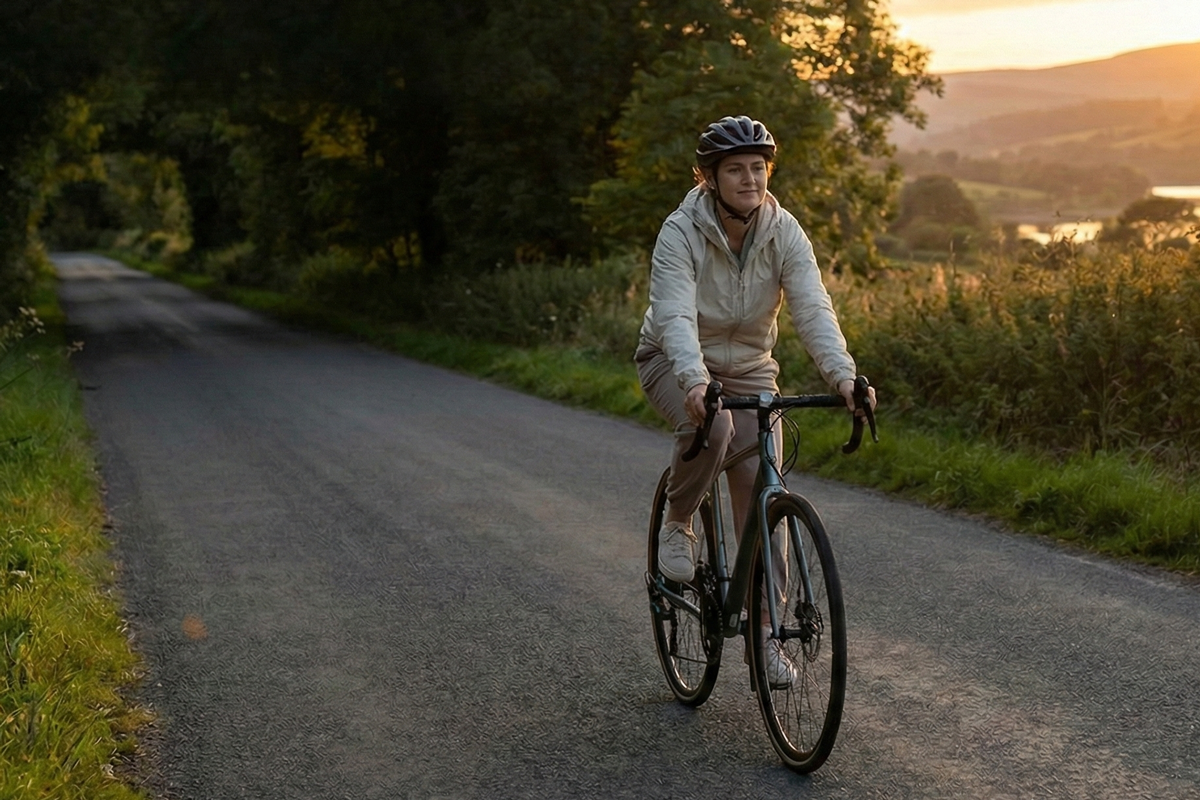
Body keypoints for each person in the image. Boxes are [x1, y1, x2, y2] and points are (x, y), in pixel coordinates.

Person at [635, 115, 876, 686]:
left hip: (749, 371)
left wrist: (845, 377)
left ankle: (767, 638)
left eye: (758, 168)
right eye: (735, 170)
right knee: (714, 429)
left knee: (766, 497)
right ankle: (678, 521)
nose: (750, 179)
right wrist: (693, 382)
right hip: (673, 361)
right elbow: (672, 313)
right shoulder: (681, 231)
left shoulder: (784, 230)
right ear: (709, 178)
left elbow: (813, 308)